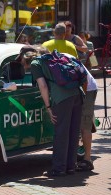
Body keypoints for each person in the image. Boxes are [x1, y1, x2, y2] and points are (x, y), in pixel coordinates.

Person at [30, 48, 84, 177]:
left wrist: (48, 107)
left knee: (61, 133)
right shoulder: (58, 57)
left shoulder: (35, 63)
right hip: (78, 94)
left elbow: (42, 86)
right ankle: (71, 167)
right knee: (73, 132)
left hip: (62, 98)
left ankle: (59, 169)